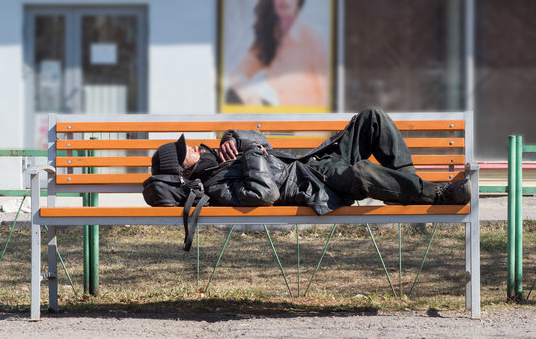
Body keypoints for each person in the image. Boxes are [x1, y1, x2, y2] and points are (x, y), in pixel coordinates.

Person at [152, 108, 471, 215]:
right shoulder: (215, 185)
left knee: (371, 117)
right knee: (362, 173)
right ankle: (437, 195)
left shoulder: (223, 149)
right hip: (317, 186)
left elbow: (265, 142)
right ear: (184, 167)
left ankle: (411, 192)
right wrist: (251, 155)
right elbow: (265, 195)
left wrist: (238, 139)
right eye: (185, 151)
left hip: (316, 163)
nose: (191, 145)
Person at [225, 0, 329, 107]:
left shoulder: (313, 40)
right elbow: (237, 74)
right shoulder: (269, 38)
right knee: (231, 94)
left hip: (307, 119)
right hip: (279, 118)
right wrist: (252, 98)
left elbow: (327, 94)